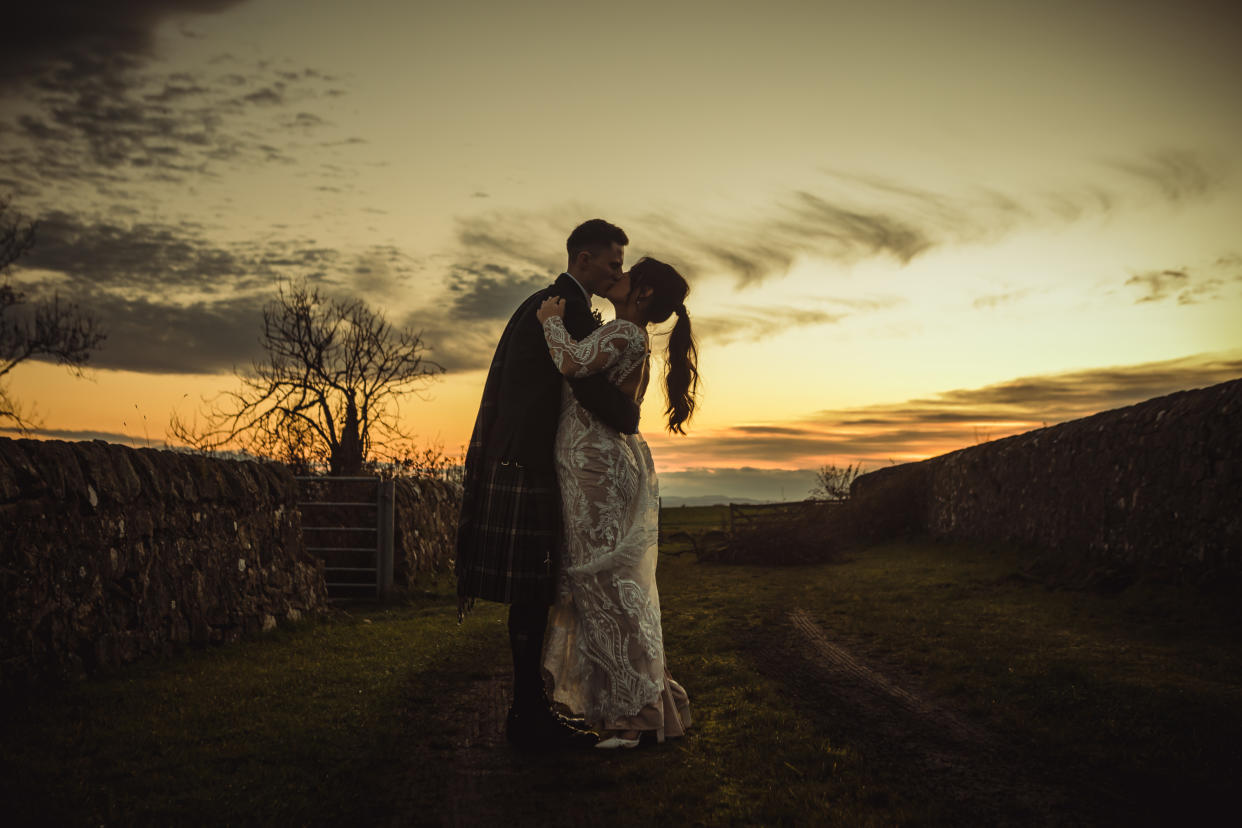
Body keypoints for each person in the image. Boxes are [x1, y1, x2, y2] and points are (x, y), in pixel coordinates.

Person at [455, 219, 639, 750]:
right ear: (583, 259)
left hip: (521, 458)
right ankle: (528, 717)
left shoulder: (547, 302)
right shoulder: (567, 309)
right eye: (612, 264)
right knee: (533, 593)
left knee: (533, 593)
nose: (617, 273)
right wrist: (628, 415)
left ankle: (529, 711)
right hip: (530, 463)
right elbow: (587, 387)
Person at [535, 256, 697, 749]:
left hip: (597, 469)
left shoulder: (624, 333)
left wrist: (551, 323)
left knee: (606, 584)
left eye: (627, 275)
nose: (617, 278)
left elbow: (570, 363)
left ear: (643, 294)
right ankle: (639, 707)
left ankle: (636, 716)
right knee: (609, 585)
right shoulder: (629, 334)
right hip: (595, 465)